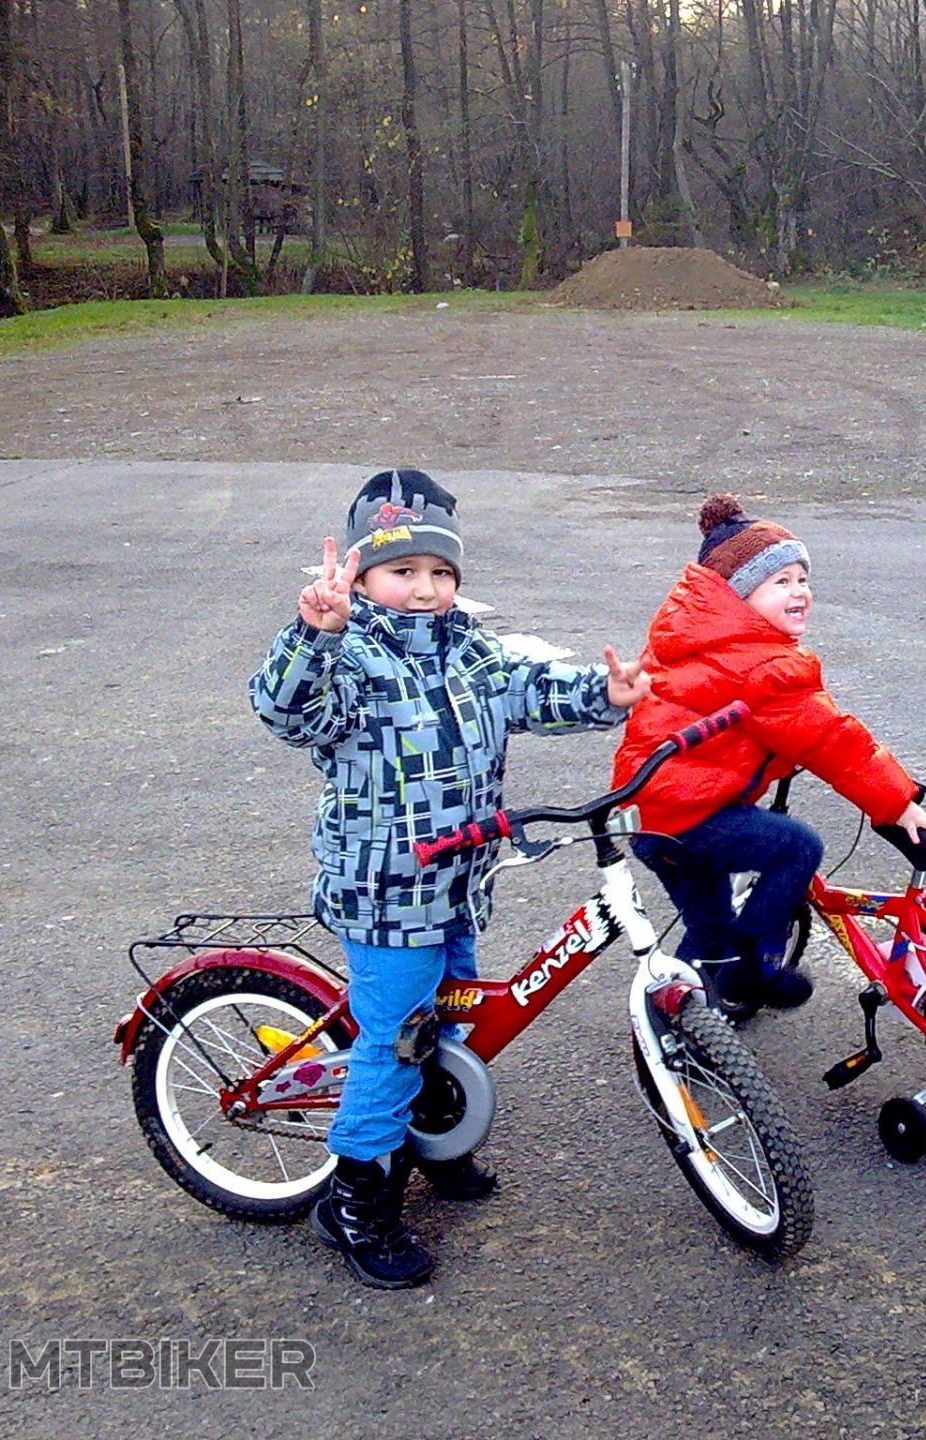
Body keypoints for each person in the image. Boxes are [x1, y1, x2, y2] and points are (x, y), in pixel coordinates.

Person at [249, 467, 649, 1289]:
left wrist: (604, 694)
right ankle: (357, 1205)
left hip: (460, 881)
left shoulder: (472, 651)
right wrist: (313, 636)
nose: (425, 588)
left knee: (453, 1019)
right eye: (402, 571)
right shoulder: (350, 658)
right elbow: (287, 713)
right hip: (386, 891)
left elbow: (532, 690)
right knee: (397, 1043)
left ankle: (436, 1137)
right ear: (362, 577)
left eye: (441, 571)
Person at [612, 494, 926, 1012]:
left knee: (710, 934)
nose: (799, 592)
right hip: (692, 816)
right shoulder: (763, 663)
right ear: (737, 595)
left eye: (802, 579)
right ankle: (758, 966)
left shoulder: (689, 637)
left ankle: (682, 1028)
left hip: (648, 817)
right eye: (780, 582)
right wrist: (897, 802)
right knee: (795, 847)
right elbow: (831, 740)